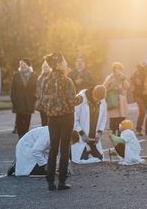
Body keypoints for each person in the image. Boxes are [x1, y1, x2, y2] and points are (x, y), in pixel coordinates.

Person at [40, 52, 76, 191]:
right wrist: (80, 98)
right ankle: (61, 181)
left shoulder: (45, 80)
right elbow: (72, 101)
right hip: (66, 116)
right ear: (58, 64)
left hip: (52, 118)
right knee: (64, 148)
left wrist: (52, 108)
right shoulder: (67, 81)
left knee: (53, 148)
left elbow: (42, 101)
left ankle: (50, 181)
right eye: (64, 61)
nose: (66, 63)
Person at [72, 84, 107, 164]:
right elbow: (73, 119)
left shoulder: (102, 99)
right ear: (93, 93)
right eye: (97, 99)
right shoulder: (80, 99)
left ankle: (89, 149)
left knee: (100, 159)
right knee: (80, 160)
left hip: (93, 138)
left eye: (100, 100)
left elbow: (104, 117)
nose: (98, 102)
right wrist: (82, 134)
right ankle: (84, 150)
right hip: (81, 137)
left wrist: (99, 132)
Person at [10, 58, 37, 139]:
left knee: (27, 119)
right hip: (19, 101)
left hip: (29, 101)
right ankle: (20, 135)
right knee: (19, 119)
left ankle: (25, 135)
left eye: (24, 64)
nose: (22, 65)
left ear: (28, 65)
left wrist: (35, 98)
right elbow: (13, 89)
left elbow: (36, 88)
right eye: (21, 64)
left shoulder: (34, 75)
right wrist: (14, 99)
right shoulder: (16, 75)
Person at [103, 62, 130, 135]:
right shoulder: (110, 77)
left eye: (119, 68)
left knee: (121, 118)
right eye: (116, 68)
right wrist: (111, 81)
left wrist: (123, 79)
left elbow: (127, 86)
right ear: (113, 69)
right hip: (113, 100)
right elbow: (104, 86)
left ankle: (120, 132)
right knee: (114, 118)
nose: (118, 70)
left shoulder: (123, 77)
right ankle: (113, 132)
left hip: (121, 101)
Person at [130, 64, 147, 136]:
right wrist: (135, 88)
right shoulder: (137, 73)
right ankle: (138, 130)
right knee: (142, 111)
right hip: (138, 95)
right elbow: (132, 80)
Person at [36, 61, 52, 126]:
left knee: (49, 121)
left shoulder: (51, 76)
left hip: (49, 103)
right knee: (43, 121)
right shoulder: (40, 77)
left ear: (49, 68)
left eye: (46, 67)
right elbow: (37, 88)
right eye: (44, 67)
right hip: (41, 103)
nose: (45, 68)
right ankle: (44, 134)